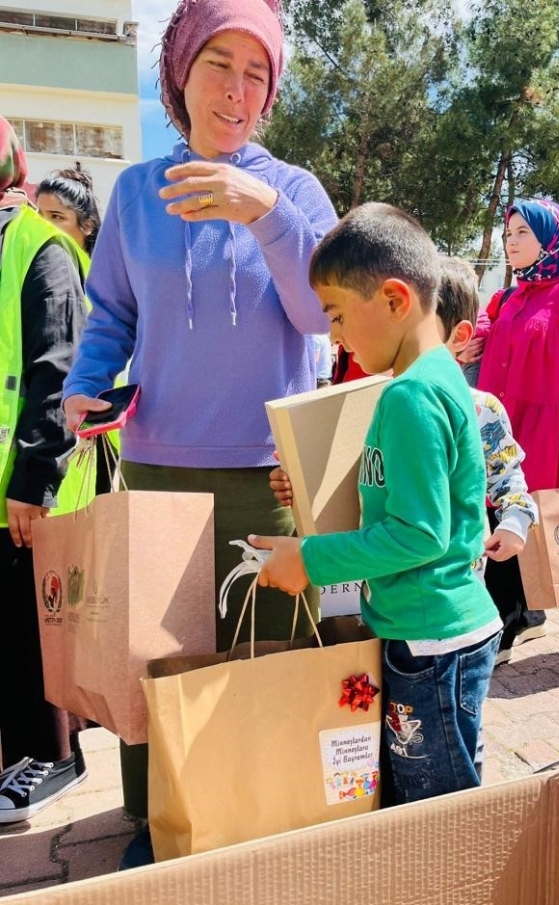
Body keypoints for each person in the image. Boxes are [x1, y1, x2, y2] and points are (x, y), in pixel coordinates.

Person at [61, 0, 338, 848]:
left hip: (272, 474)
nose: (237, 87)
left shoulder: (294, 191)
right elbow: (109, 311)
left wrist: (264, 212)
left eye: (258, 72)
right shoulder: (139, 192)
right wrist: (85, 381)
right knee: (158, 660)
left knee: (275, 650)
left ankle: (267, 814)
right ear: (180, 72)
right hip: (157, 467)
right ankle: (161, 819)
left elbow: (324, 316)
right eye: (220, 62)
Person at [249, 202, 502, 805]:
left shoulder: (409, 397)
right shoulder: (435, 380)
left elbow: (418, 534)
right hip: (440, 630)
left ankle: (448, 894)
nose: (333, 335)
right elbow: (399, 494)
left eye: (336, 315)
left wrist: (307, 560)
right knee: (443, 780)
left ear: (393, 300)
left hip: (429, 640)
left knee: (431, 803)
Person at [459, 198, 559, 650]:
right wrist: (468, 347)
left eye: (523, 233)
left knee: (523, 516)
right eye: (508, 234)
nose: (511, 242)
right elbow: (482, 338)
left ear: (553, 239)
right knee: (495, 510)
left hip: (548, 428)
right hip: (499, 427)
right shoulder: (506, 297)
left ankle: (511, 620)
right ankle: (522, 612)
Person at [0, 117, 90, 822]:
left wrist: (33, 481)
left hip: (23, 488)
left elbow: (55, 372)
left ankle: (50, 758)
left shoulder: (42, 250)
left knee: (31, 631)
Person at [437, 258, 538, 666]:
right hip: (386, 601)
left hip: (461, 598)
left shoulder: (481, 410)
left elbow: (508, 477)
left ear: (460, 336)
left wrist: (515, 522)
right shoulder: (370, 406)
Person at [35, 164, 118, 494]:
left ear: (86, 226)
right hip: (62, 427)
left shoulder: (102, 281)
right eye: (38, 215)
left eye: (56, 217)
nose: (43, 227)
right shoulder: (37, 274)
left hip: (100, 428)